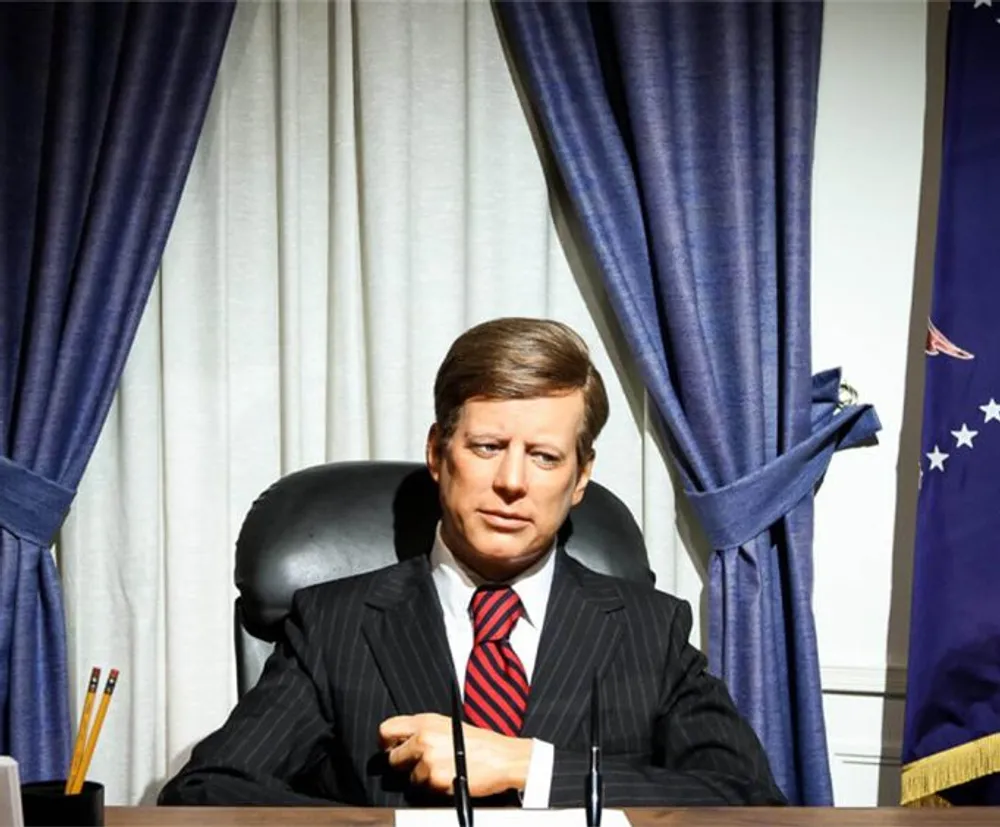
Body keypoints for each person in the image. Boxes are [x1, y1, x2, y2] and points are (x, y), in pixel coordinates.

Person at [158, 317, 784, 808]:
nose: (512, 482)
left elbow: (747, 802)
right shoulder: (333, 623)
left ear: (580, 477)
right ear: (439, 452)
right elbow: (205, 791)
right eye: (487, 447)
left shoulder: (652, 630)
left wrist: (528, 766)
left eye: (544, 456)